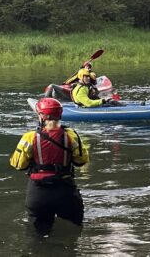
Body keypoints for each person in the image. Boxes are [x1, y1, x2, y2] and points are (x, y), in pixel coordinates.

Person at [9, 98, 90, 235]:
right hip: (66, 191)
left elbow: (18, 164)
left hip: (39, 193)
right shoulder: (72, 135)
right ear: (60, 115)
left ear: (41, 116)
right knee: (72, 234)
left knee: (38, 238)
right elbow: (82, 160)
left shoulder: (29, 137)